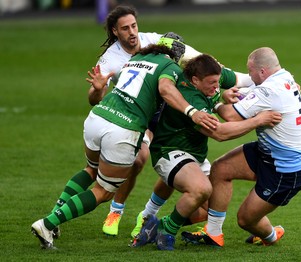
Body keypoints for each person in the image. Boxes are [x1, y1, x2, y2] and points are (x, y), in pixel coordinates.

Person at [30, 39, 219, 250]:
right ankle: (48, 224)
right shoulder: (170, 67)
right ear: (177, 55)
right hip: (122, 129)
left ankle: (56, 212)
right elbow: (166, 89)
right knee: (103, 191)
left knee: (91, 170)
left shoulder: (137, 58)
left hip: (98, 117)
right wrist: (192, 112)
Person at [132, 54, 282, 250]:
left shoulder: (211, 75)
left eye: (218, 82)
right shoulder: (189, 97)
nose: (216, 86)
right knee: (201, 189)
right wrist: (257, 120)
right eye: (211, 83)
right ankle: (166, 232)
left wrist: (283, 85)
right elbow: (219, 133)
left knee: (206, 210)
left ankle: (157, 225)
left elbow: (247, 78)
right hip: (169, 152)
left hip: (195, 156)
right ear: (195, 80)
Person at [86, 5, 203, 237]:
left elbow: (194, 58)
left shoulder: (152, 40)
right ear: (115, 32)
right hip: (135, 116)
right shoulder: (110, 58)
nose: (132, 32)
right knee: (138, 161)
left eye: (134, 26)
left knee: (173, 167)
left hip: (166, 114)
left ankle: (148, 214)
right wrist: (97, 91)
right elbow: (93, 97)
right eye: (125, 28)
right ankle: (116, 210)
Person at [181, 47, 301, 247]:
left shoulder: (269, 90)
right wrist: (232, 94)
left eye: (250, 71)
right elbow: (252, 93)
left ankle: (271, 236)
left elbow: (231, 116)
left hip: (285, 169)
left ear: (262, 71)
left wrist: (214, 102)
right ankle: (213, 234)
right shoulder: (284, 77)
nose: (248, 75)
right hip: (267, 152)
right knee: (221, 169)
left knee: (246, 220)